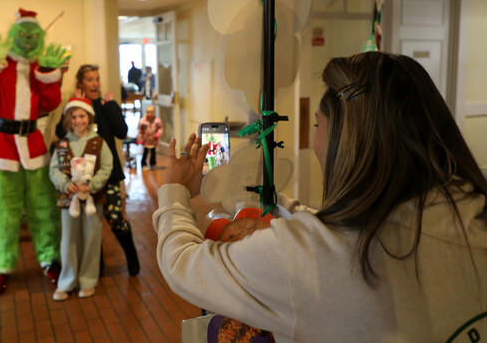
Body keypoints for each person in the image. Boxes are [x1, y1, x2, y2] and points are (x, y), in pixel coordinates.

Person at [153, 51, 487, 341]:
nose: (315, 140)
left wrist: (174, 190)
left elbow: (182, 264)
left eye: (317, 125)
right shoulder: (473, 212)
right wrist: (280, 203)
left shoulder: (309, 259)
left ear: (347, 142)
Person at [0, 9, 69, 296]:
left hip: (32, 147)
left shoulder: (41, 64)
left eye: (33, 36)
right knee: (2, 213)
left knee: (43, 209)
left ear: (40, 38)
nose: (27, 40)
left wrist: (51, 75)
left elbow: (50, 103)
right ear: (13, 35)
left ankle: (49, 259)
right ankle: (1, 266)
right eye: (23, 35)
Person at [57, 64, 140, 276]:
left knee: (115, 219)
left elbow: (121, 131)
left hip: (108, 176)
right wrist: (71, 105)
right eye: (90, 80)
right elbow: (61, 133)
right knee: (89, 223)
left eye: (97, 79)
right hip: (81, 178)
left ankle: (131, 257)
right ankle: (96, 267)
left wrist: (111, 105)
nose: (95, 83)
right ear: (81, 83)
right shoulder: (77, 109)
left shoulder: (105, 105)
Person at [50, 97, 113, 301]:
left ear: (89, 117)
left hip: (93, 199)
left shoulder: (99, 142)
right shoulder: (62, 144)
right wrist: (67, 185)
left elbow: (106, 167)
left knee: (91, 240)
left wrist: (92, 184)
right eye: (74, 117)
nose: (79, 121)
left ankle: (87, 280)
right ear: (69, 119)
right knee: (68, 240)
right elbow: (54, 170)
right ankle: (67, 281)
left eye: (82, 116)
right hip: (69, 200)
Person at [137, 105, 163, 171]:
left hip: (153, 140)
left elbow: (160, 129)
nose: (149, 114)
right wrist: (140, 138)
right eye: (148, 112)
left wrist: (158, 134)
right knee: (145, 152)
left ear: (154, 112)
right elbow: (140, 130)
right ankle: (143, 164)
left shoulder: (157, 121)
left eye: (151, 112)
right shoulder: (142, 121)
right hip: (146, 140)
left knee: (153, 152)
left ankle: (153, 163)